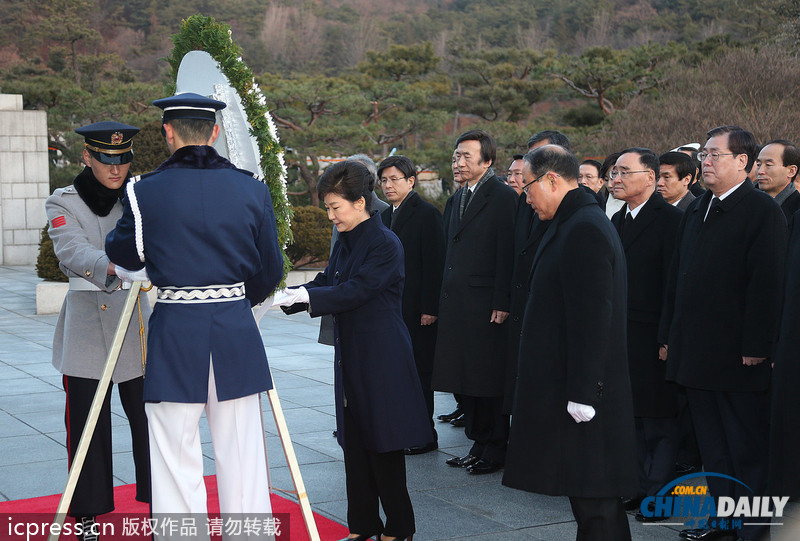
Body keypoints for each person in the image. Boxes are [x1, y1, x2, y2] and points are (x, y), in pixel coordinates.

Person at [105, 93, 283, 524]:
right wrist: (234, 300)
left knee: (173, 451)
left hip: (176, 331)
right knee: (242, 449)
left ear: (168, 132)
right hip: (234, 329)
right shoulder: (251, 188)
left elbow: (124, 255)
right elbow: (270, 269)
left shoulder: (143, 192)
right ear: (215, 132)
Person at [275, 160, 430, 541]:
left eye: (335, 208)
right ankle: (363, 526)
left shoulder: (384, 243)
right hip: (353, 354)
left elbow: (355, 290)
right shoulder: (348, 238)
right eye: (328, 208)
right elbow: (331, 279)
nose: (331, 216)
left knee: (384, 446)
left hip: (382, 357)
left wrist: (306, 296)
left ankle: (399, 528)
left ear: (360, 202)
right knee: (355, 446)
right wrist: (286, 297)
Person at [504, 144, 637, 541]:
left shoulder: (584, 227)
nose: (526, 199)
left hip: (583, 392)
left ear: (551, 179)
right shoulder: (571, 221)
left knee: (595, 497)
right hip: (571, 383)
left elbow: (594, 315)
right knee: (587, 495)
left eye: (527, 188)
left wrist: (583, 392)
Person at [660, 125, 786, 541]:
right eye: (705, 155)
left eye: (715, 155)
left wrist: (756, 346)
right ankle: (722, 523)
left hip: (738, 357)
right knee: (713, 448)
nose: (706, 162)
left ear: (742, 162)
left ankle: (752, 530)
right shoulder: (698, 208)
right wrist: (669, 336)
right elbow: (678, 280)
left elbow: (766, 284)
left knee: (745, 448)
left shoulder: (761, 210)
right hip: (697, 353)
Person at [46, 121, 151, 541]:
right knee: (87, 424)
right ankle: (87, 512)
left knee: (149, 421)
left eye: (122, 160)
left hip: (134, 326)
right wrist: (113, 266)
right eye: (107, 160)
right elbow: (70, 249)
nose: (116, 169)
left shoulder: (139, 197)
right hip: (87, 325)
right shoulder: (63, 201)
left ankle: (161, 501)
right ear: (87, 157)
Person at [433, 129, 517, 475]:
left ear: (488, 161)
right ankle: (477, 442)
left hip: (486, 304)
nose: (459, 162)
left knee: (486, 380)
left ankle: (496, 447)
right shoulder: (456, 198)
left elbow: (508, 253)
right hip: (457, 302)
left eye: (467, 156)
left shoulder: (502, 197)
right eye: (456, 156)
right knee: (464, 379)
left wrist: (502, 299)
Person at [609, 148, 682, 521]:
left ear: (650, 178)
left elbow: (675, 284)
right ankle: (636, 487)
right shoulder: (616, 220)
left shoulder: (671, 221)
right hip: (620, 336)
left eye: (624, 171)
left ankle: (660, 494)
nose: (615, 178)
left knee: (659, 422)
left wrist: (668, 337)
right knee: (631, 417)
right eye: (613, 172)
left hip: (654, 336)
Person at [378, 155, 445, 455]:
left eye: (394, 179)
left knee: (420, 373)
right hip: (392, 309)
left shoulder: (426, 214)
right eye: (384, 180)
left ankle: (425, 434)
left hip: (419, 310)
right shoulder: (383, 216)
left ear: (411, 181)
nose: (388, 185)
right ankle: (403, 429)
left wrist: (430, 307)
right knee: (398, 371)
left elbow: (435, 264)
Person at [755, 139, 800, 222]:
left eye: (768, 165)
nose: (760, 171)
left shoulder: (796, 210)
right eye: (758, 164)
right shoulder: (747, 203)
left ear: (791, 171)